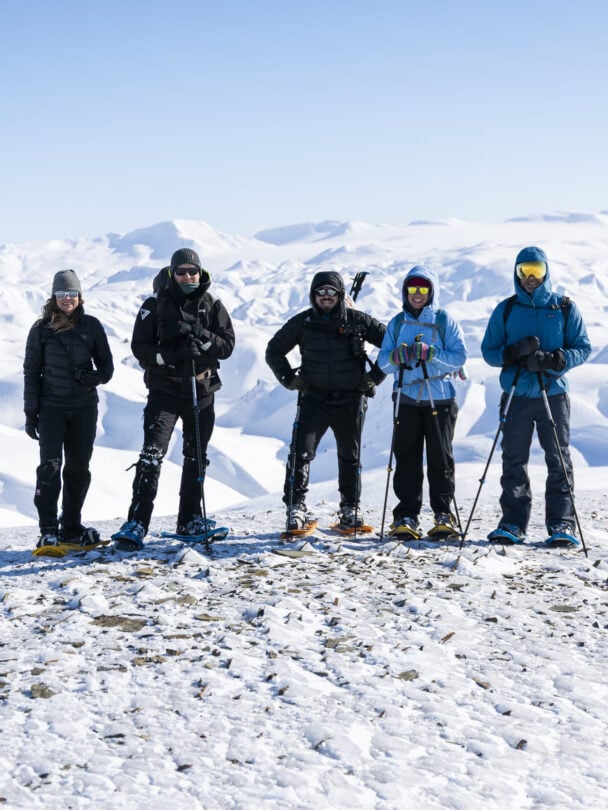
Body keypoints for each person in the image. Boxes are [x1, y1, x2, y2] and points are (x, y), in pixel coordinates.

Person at [112, 248, 235, 549]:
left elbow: (227, 346)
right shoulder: (153, 305)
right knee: (152, 455)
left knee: (196, 457)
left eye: (193, 271)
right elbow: (140, 348)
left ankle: (190, 519)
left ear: (200, 272)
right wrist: (170, 356)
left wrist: (201, 336)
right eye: (181, 271)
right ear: (171, 273)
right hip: (164, 393)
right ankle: (137, 523)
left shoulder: (212, 304)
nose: (188, 276)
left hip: (201, 392)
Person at [481, 246, 591, 544]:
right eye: (524, 271)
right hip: (516, 392)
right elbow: (488, 352)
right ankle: (513, 524)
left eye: (536, 270)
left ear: (546, 272)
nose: (530, 277)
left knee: (558, 458)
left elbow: (582, 347)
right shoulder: (506, 309)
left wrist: (554, 360)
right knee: (513, 459)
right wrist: (512, 354)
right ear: (516, 273)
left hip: (552, 392)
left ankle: (562, 525)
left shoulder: (563, 307)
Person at [265, 270, 386, 531]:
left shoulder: (359, 320)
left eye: (332, 291)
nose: (326, 296)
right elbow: (273, 349)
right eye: (320, 292)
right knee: (301, 453)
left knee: (349, 455)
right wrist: (288, 378)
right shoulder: (303, 322)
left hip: (351, 398)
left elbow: (392, 345)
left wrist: (375, 377)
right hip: (313, 398)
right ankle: (295, 508)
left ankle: (350, 508)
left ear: (341, 295)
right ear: (313, 295)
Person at [23, 269, 114, 547]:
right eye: (61, 294)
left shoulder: (92, 326)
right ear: (54, 296)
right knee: (49, 468)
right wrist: (31, 413)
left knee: (78, 469)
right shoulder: (41, 330)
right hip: (52, 408)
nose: (67, 299)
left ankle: (71, 526)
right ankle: (48, 529)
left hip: (84, 408)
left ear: (80, 296)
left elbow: (107, 367)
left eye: (72, 293)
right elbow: (31, 372)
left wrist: (95, 378)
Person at [378, 266, 467, 538]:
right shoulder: (397, 323)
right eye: (412, 289)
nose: (417, 295)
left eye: (423, 289)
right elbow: (382, 362)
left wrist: (430, 353)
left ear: (432, 291)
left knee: (440, 458)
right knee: (406, 458)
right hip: (406, 397)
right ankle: (406, 515)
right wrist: (396, 357)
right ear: (405, 292)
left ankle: (443, 514)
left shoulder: (443, 320)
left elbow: (460, 357)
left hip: (439, 397)